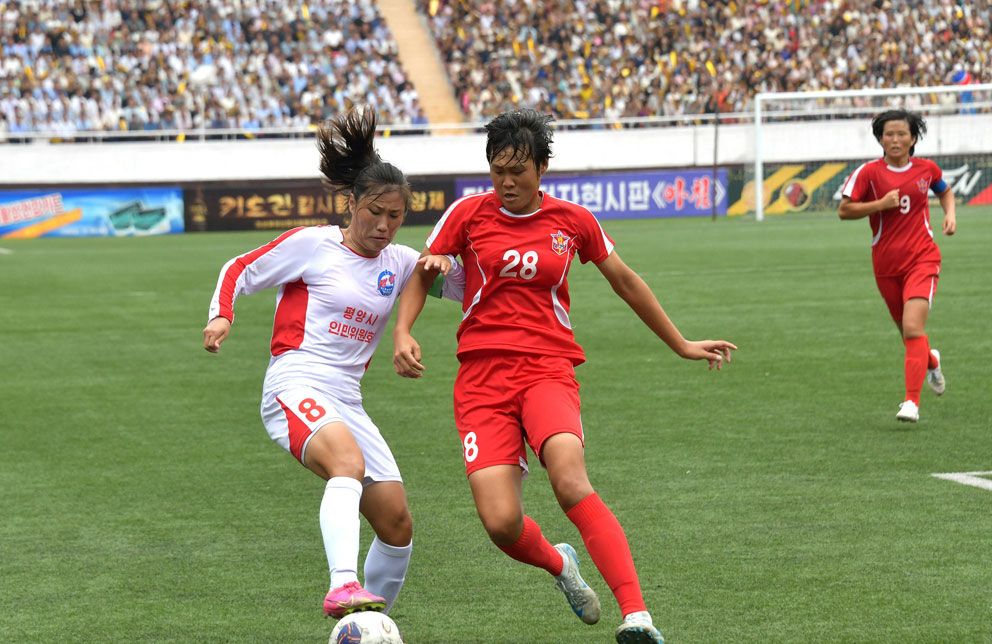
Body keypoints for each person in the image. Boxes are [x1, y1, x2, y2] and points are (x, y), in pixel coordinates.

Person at [391, 109, 737, 644]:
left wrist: (682, 343)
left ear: (543, 168)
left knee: (569, 478)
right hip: (481, 380)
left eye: (519, 172)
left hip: (547, 370)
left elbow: (625, 282)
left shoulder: (574, 221)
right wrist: (403, 333)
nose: (507, 183)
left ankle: (638, 617)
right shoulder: (466, 214)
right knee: (501, 524)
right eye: (497, 171)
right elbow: (425, 270)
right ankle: (560, 566)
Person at [201, 106, 463, 619]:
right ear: (351, 203)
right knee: (347, 464)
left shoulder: (402, 262)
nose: (384, 225)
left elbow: (465, 288)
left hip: (346, 399)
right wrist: (222, 316)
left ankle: (369, 626)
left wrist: (445, 262)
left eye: (395, 216)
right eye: (374, 212)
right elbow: (240, 267)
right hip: (294, 382)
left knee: (396, 524)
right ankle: (342, 585)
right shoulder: (313, 244)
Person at [839, 109, 956, 423]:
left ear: (913, 138)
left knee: (912, 328)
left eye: (901, 134)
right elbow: (844, 210)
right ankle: (931, 361)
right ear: (880, 138)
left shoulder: (927, 169)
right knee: (909, 336)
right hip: (886, 266)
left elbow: (944, 191)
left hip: (923, 258)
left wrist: (950, 214)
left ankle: (911, 402)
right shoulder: (868, 173)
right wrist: (879, 205)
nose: (895, 139)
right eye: (888, 134)